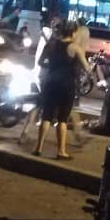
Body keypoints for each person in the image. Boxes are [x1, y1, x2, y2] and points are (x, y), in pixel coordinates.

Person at [34, 21, 89, 159]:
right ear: (73, 32)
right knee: (62, 119)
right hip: (67, 85)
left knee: (46, 116)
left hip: (50, 83)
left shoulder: (51, 45)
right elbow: (86, 67)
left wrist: (52, 66)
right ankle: (61, 151)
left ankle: (38, 148)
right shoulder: (74, 48)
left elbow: (41, 62)